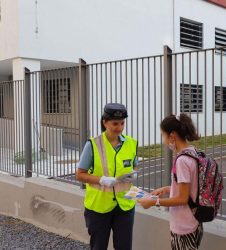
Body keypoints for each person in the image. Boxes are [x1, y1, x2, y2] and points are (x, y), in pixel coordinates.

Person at [76, 103, 138, 250]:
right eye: (115, 123)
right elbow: (79, 174)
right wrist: (101, 180)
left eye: (122, 123)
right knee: (99, 246)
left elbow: (135, 166)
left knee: (124, 247)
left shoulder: (131, 143)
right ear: (105, 122)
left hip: (125, 205)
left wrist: (133, 174)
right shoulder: (93, 145)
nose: (119, 127)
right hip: (99, 207)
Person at [138, 113, 203, 250]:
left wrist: (153, 201)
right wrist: (168, 189)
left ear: (172, 135)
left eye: (163, 135)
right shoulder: (193, 152)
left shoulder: (182, 161)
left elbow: (182, 198)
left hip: (183, 225)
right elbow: (190, 187)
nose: (163, 140)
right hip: (195, 222)